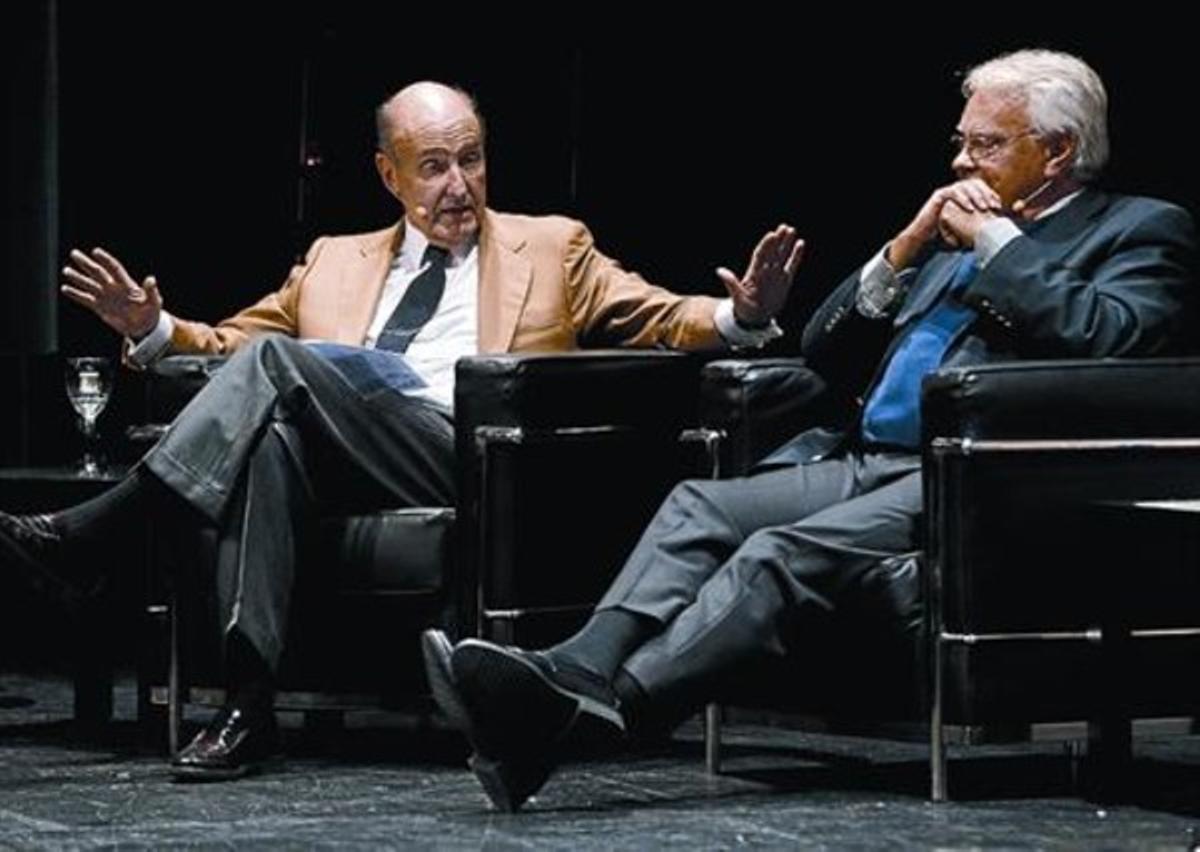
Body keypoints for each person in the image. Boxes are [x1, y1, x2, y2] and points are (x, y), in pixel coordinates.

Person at [424, 49, 1198, 812]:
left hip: (971, 477)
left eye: (984, 144)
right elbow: (827, 354)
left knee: (776, 554)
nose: (961, 161)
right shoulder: (947, 238)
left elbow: (1114, 340)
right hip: (865, 458)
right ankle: (574, 672)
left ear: (1058, 151)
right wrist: (902, 251)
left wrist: (1002, 248)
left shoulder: (1137, 230)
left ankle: (581, 721)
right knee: (701, 504)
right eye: (959, 142)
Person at [0, 81, 804, 780]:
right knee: (271, 431)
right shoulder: (333, 259)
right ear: (389, 175)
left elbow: (661, 316)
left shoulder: (554, 246)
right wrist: (154, 329)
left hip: (461, 455)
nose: (460, 184)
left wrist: (742, 315)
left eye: (473, 159)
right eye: (434, 166)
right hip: (339, 451)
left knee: (282, 370)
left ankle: (103, 530)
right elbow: (231, 348)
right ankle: (248, 707)